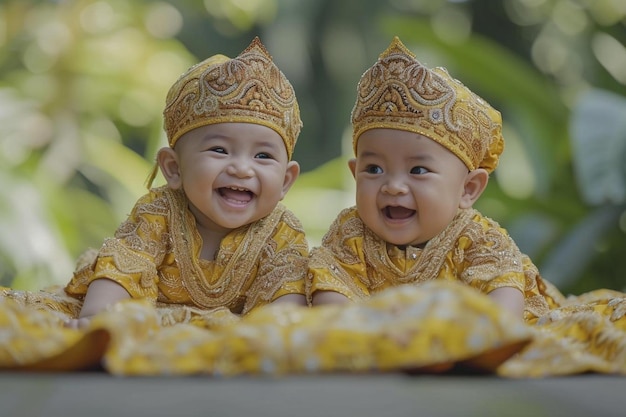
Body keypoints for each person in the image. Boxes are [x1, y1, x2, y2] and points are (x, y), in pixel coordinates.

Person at [306, 36, 626, 377]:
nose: (393, 186)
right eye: (374, 169)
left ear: (468, 189)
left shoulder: (477, 237)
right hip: (381, 337)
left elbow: (504, 303)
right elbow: (330, 290)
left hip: (480, 337)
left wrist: (475, 340)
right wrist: (355, 335)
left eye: (417, 170)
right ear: (355, 174)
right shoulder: (351, 232)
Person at [2, 36, 308, 337]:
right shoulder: (160, 211)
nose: (242, 168)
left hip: (237, 337)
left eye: (263, 155)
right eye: (219, 150)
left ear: (284, 181)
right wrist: (97, 318)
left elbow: (286, 300)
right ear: (173, 168)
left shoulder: (282, 231)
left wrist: (279, 334)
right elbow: (123, 267)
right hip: (144, 326)